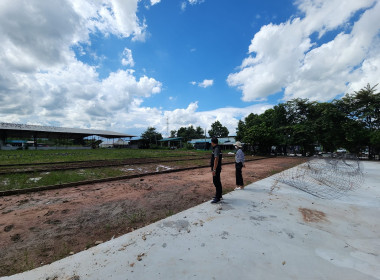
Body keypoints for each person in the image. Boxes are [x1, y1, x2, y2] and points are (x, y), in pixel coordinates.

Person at [210, 137, 222, 203]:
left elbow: (216, 159)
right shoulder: (217, 148)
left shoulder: (216, 149)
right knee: (217, 182)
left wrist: (214, 170)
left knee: (216, 182)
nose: (211, 143)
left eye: (211, 141)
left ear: (212, 142)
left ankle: (218, 197)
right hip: (217, 168)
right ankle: (219, 195)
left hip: (216, 168)